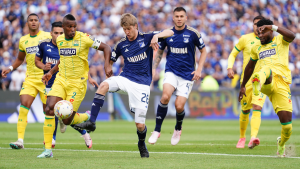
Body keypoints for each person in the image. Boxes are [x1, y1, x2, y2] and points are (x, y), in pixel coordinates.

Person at [74, 13, 174, 158]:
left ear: (135, 27)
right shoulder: (121, 44)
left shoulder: (146, 37)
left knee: (140, 125)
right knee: (103, 86)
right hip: (125, 78)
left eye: (129, 29)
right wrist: (107, 66)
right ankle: (92, 122)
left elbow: (170, 31)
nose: (127, 32)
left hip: (142, 85)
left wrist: (156, 36)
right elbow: (111, 57)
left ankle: (141, 143)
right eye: (124, 29)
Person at [37, 14, 111, 158]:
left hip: (77, 84)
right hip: (61, 80)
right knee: (49, 108)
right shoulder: (60, 40)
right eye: (69, 27)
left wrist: (106, 65)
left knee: (66, 120)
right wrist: (51, 72)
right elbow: (61, 61)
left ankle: (86, 116)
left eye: (74, 26)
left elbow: (106, 47)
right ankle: (47, 150)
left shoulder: (84, 38)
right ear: (63, 28)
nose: (72, 29)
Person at [148, 7, 207, 145]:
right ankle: (157, 130)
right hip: (171, 71)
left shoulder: (193, 34)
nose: (179, 18)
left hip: (187, 75)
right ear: (173, 18)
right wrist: (153, 68)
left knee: (179, 106)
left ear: (186, 18)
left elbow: (204, 52)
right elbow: (160, 52)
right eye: (177, 16)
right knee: (165, 96)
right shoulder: (167, 33)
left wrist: (199, 70)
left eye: (182, 16)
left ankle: (178, 128)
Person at [239, 18, 295, 157]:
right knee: (265, 70)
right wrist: (242, 86)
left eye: (263, 32)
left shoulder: (281, 41)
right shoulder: (256, 47)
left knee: (287, 127)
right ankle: (257, 83)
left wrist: (273, 26)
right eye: (258, 32)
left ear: (270, 30)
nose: (260, 35)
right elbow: (250, 67)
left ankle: (281, 144)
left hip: (282, 85)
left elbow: (292, 35)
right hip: (266, 82)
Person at [35, 21, 92, 149]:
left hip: (70, 84)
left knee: (66, 114)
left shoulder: (68, 45)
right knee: (50, 110)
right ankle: (52, 140)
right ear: (51, 33)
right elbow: (36, 61)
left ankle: (84, 132)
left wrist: (89, 77)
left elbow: (79, 64)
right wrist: (45, 67)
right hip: (52, 83)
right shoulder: (44, 45)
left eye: (61, 32)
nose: (58, 35)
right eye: (56, 33)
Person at [2, 13, 51, 149]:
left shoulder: (47, 36)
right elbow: (20, 59)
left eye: (36, 20)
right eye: (31, 20)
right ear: (27, 23)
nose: (33, 22)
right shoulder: (23, 40)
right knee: (24, 105)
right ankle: (20, 140)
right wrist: (10, 68)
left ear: (39, 22)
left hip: (45, 79)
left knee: (48, 110)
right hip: (30, 79)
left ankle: (50, 140)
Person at [227, 15, 266, 149]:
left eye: (260, 24)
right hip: (246, 81)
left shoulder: (269, 39)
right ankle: (242, 137)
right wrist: (229, 67)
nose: (257, 26)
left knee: (257, 107)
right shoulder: (245, 39)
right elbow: (233, 53)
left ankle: (253, 137)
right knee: (245, 110)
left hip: (261, 80)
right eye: (255, 24)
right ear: (252, 25)